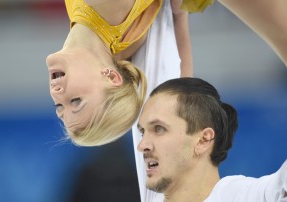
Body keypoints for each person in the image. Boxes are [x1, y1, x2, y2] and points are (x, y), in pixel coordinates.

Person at [45, 0, 194, 146]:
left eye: (59, 107)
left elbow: (182, 86)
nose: (56, 92)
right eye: (76, 101)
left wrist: (180, 16)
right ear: (111, 76)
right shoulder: (105, 6)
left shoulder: (120, 46)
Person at [137, 77, 287, 202]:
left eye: (159, 129)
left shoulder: (244, 196)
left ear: (203, 140)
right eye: (143, 132)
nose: (142, 145)